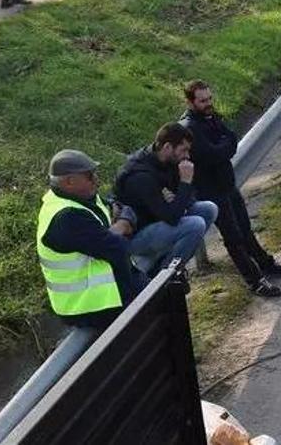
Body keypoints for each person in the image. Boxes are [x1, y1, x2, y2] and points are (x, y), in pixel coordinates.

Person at [178, 80, 281, 298]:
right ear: (190, 102)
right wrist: (224, 146)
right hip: (211, 193)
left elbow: (231, 140)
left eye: (209, 98)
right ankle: (255, 281)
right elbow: (214, 154)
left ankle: (266, 265)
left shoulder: (210, 117)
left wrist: (223, 146)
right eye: (203, 101)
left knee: (245, 229)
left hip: (227, 185)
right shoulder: (190, 128)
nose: (208, 103)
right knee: (234, 238)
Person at [36, 149, 145, 329]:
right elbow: (119, 248)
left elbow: (119, 207)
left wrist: (118, 223)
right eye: (89, 176)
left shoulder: (81, 197)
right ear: (69, 181)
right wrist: (123, 224)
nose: (96, 180)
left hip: (109, 295)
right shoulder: (67, 217)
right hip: (91, 307)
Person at [113, 123, 215, 275]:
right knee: (195, 224)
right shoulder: (140, 175)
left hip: (159, 221)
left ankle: (173, 260)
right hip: (137, 235)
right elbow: (172, 217)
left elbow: (188, 201)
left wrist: (178, 194)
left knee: (208, 208)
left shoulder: (168, 161)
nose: (187, 156)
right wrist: (185, 183)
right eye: (184, 150)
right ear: (167, 147)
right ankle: (167, 275)